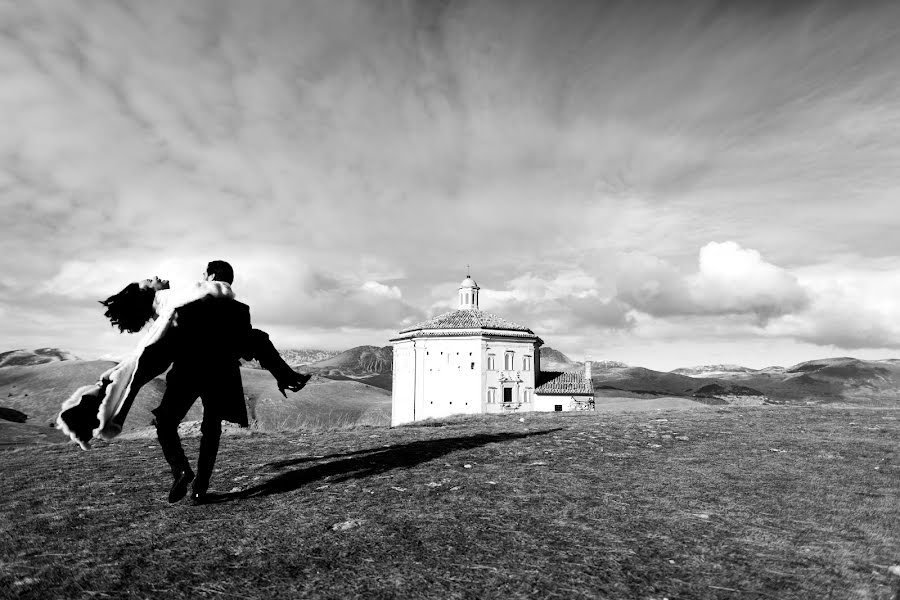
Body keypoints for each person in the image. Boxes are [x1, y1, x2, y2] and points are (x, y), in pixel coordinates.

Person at [58, 260, 309, 504]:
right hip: (222, 374)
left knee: (166, 424)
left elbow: (167, 336)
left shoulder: (183, 304)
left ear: (209, 277)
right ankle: (200, 488)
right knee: (212, 430)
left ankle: (180, 470)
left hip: (187, 371)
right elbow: (244, 345)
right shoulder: (240, 309)